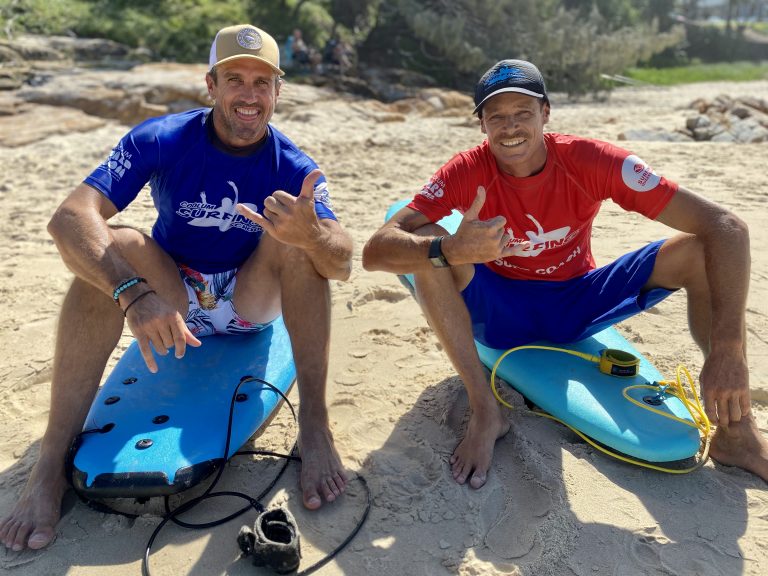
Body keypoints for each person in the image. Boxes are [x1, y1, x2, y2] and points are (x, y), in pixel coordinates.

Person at [0, 23, 353, 552]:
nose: (249, 94)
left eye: (263, 82)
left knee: (302, 245)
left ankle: (317, 427)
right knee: (112, 242)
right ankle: (50, 464)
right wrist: (134, 294)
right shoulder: (162, 138)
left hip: (249, 303)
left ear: (279, 91)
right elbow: (69, 218)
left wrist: (315, 235)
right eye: (235, 78)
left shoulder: (294, 166)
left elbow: (345, 262)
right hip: (175, 294)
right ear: (210, 85)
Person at [362, 59, 768, 490]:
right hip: (498, 310)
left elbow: (727, 227)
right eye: (496, 116)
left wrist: (729, 350)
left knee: (702, 250)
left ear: (546, 112)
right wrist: (451, 248)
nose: (510, 126)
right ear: (481, 124)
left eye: (523, 112)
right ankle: (485, 410)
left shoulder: (590, 160)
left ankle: (736, 435)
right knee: (427, 249)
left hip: (576, 302)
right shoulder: (466, 171)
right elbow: (375, 251)